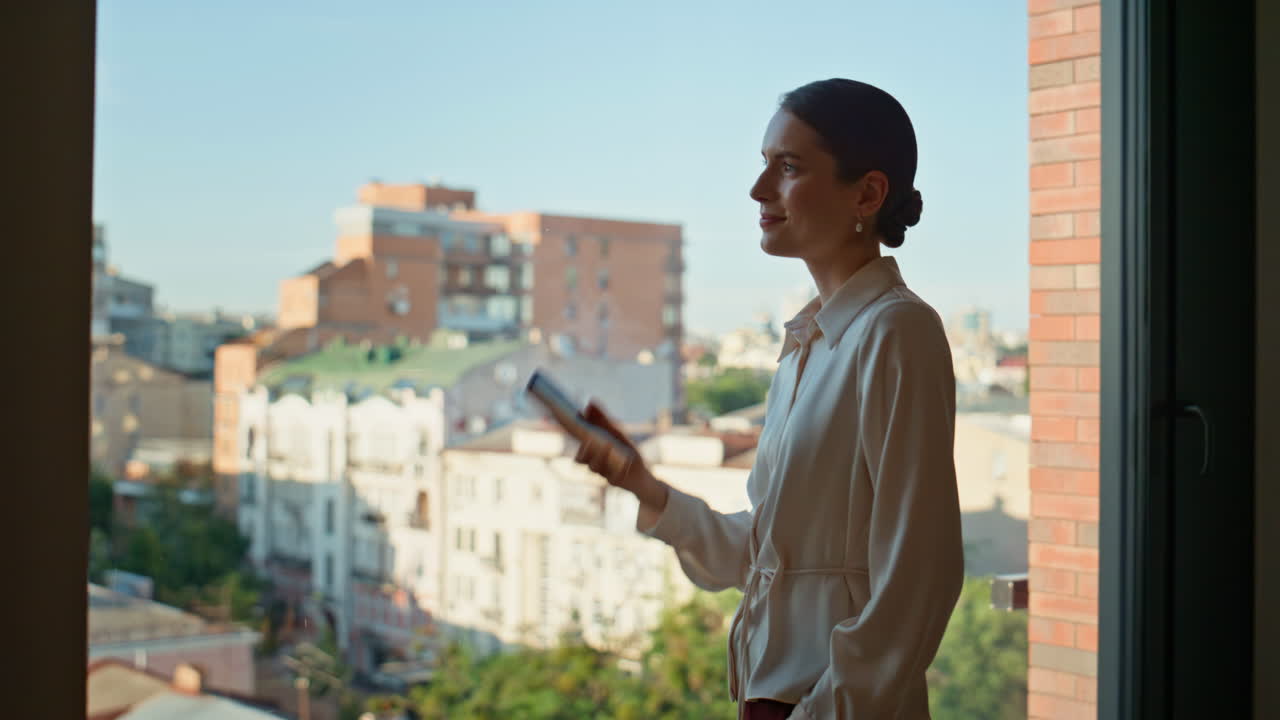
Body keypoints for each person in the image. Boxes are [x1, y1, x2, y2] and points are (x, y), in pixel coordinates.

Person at [575, 78, 964, 720]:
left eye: (787, 168)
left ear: (867, 192)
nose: (759, 191)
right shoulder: (806, 345)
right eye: (763, 166)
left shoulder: (897, 332)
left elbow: (918, 580)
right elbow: (768, 558)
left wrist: (820, 713)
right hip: (772, 700)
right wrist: (645, 487)